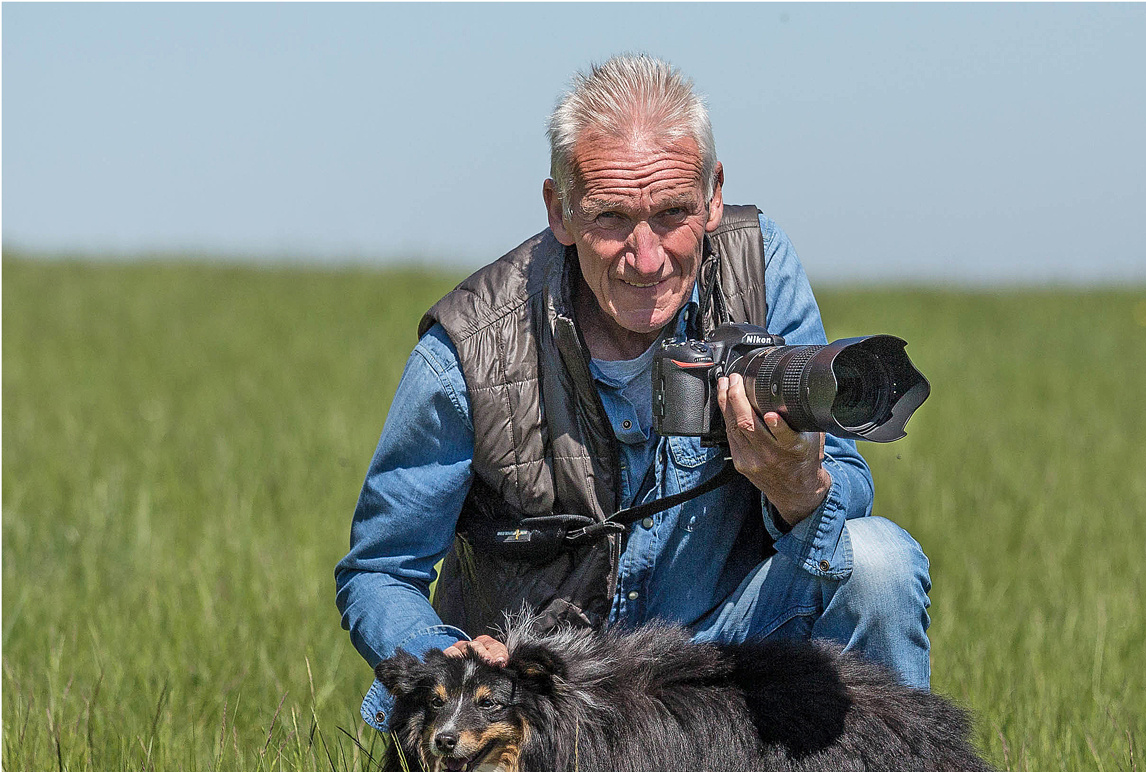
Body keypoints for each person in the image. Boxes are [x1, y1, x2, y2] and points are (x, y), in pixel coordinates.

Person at [336, 55, 931, 732]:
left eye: (674, 212)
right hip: (548, 703)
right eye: (612, 218)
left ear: (713, 195)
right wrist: (450, 658)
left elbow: (847, 480)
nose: (647, 258)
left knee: (878, 565)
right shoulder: (467, 348)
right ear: (560, 211)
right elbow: (379, 572)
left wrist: (799, 493)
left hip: (713, 662)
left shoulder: (760, 268)